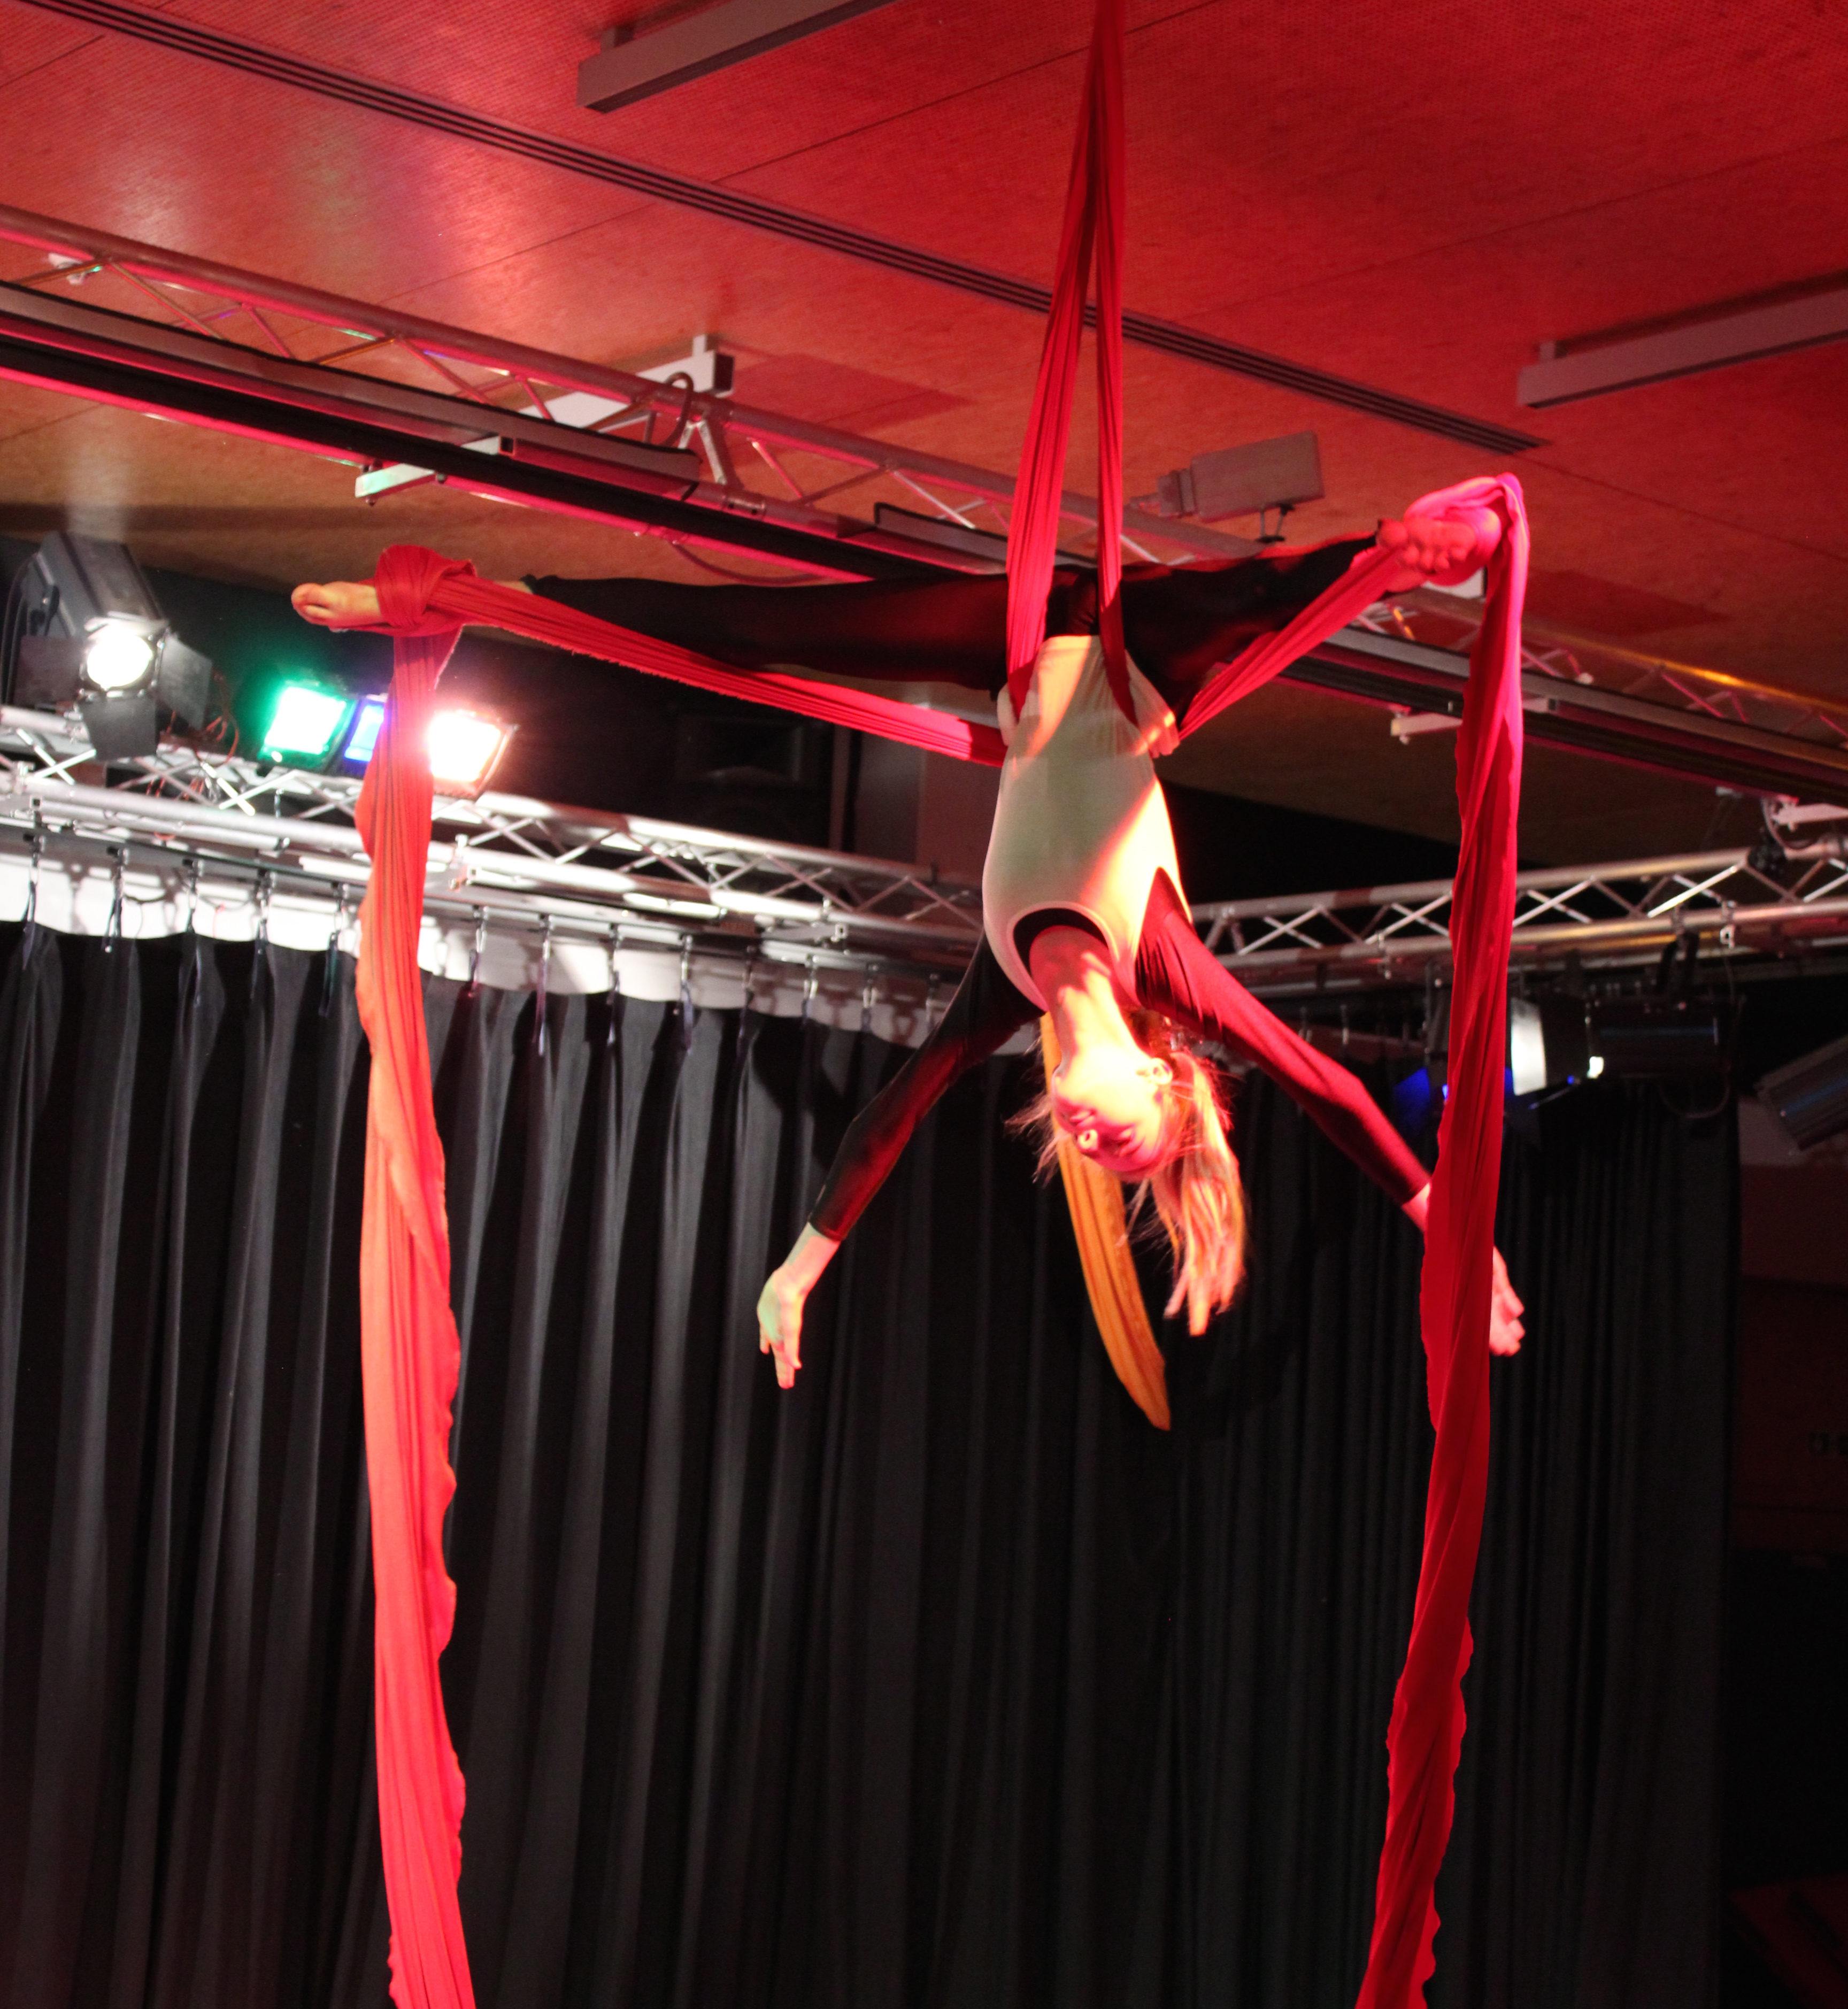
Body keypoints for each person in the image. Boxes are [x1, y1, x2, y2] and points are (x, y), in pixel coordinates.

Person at [293, 509, 1524, 1390]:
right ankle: (1393, 551)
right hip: (1139, 658)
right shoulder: (1163, 968)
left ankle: (445, 603)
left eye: (1090, 1157)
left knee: (742, 631)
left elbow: (885, 1121)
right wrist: (1451, 1238)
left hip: (1015, 659)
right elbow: (1330, 1088)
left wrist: (800, 1270)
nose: (1094, 1144)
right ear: (1162, 1077)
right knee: (1251, 596)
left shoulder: (1000, 988)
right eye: (1129, 1141)